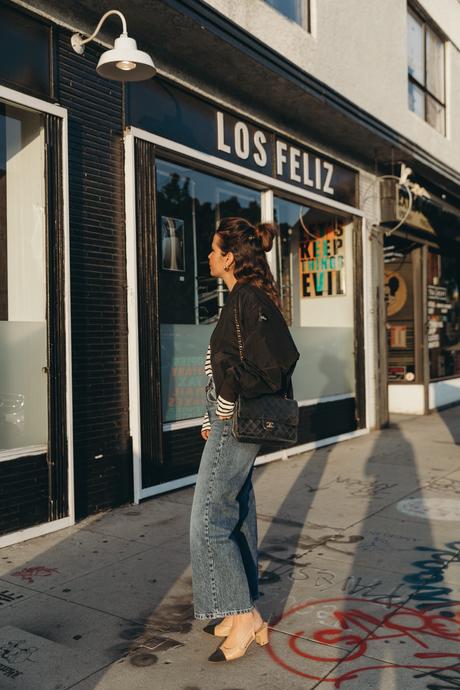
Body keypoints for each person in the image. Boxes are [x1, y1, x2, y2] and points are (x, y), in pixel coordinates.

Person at [189, 216, 299, 663]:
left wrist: (227, 407)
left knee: (207, 520)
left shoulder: (247, 297)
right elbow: (226, 362)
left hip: (235, 419)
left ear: (230, 257)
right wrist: (210, 410)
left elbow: (273, 363)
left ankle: (244, 614)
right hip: (226, 416)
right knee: (237, 513)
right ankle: (239, 611)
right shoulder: (241, 297)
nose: (210, 256)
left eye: (215, 250)